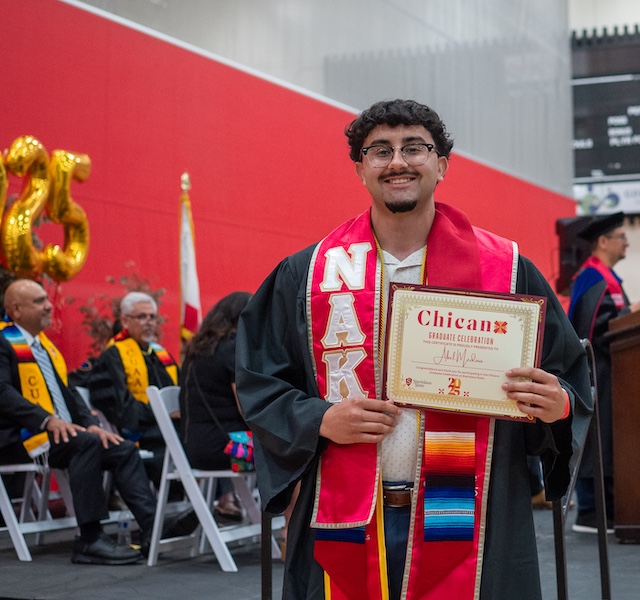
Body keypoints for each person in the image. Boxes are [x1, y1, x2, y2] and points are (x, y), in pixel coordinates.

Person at [236, 99, 592, 600]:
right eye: (380, 150)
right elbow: (259, 381)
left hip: (472, 517)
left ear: (442, 164)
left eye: (414, 148)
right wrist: (319, 419)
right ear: (360, 168)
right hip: (348, 517)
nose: (398, 161)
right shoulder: (310, 273)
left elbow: (567, 379)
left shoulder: (506, 272)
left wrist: (559, 405)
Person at [0, 279, 156, 564]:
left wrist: (91, 423)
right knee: (85, 444)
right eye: (39, 301)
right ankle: (90, 538)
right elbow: (2, 392)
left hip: (60, 435)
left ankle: (153, 528)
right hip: (18, 437)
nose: (49, 305)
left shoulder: (43, 347)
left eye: (47, 299)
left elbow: (68, 393)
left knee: (122, 448)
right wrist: (46, 420)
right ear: (16, 310)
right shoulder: (4, 341)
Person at [567, 211, 640, 534]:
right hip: (596, 375)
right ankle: (592, 511)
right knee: (598, 439)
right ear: (603, 242)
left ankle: (608, 508)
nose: (627, 243)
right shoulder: (592, 278)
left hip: (612, 374)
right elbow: (592, 331)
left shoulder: (607, 278)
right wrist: (634, 312)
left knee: (607, 438)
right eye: (622, 237)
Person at [88, 292, 179, 485]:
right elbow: (119, 407)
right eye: (142, 316)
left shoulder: (160, 354)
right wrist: (162, 414)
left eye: (152, 317)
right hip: (141, 431)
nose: (149, 322)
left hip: (168, 425)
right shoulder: (113, 356)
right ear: (125, 321)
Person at [179, 291, 252, 521]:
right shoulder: (232, 349)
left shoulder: (196, 350)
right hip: (228, 450)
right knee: (295, 453)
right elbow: (248, 408)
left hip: (198, 447)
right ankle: (288, 531)